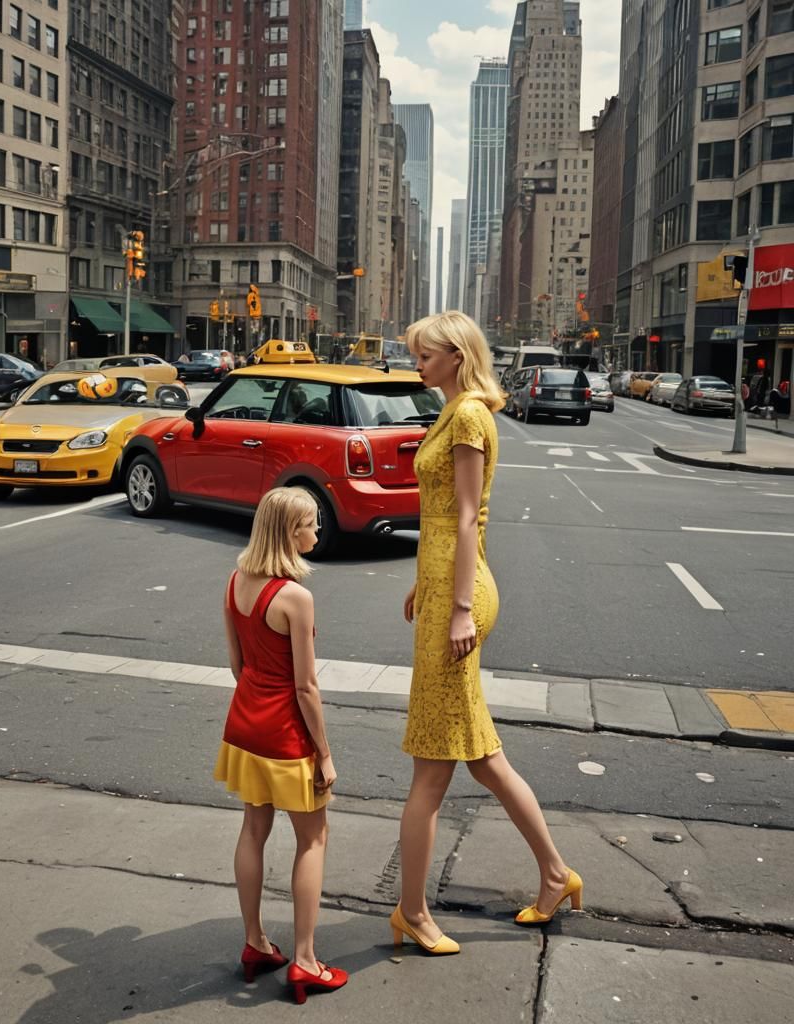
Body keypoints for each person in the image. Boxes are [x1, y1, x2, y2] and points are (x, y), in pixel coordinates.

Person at [391, 310, 581, 956]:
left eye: (426, 353)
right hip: (447, 587)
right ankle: (556, 874)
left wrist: (460, 606)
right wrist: (428, 585)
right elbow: (443, 516)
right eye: (416, 352)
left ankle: (412, 910)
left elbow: (468, 517)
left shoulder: (469, 415)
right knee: (483, 758)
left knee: (431, 770)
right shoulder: (455, 411)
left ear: (457, 355)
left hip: (461, 595)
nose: (417, 361)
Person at [213, 487, 348, 1005]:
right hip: (286, 735)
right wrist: (325, 753)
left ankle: (254, 942)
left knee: (253, 828)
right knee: (313, 838)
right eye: (312, 524)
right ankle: (307, 960)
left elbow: (236, 664)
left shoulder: (235, 582)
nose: (317, 531)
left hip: (244, 725)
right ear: (292, 534)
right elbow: (306, 688)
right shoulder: (294, 597)